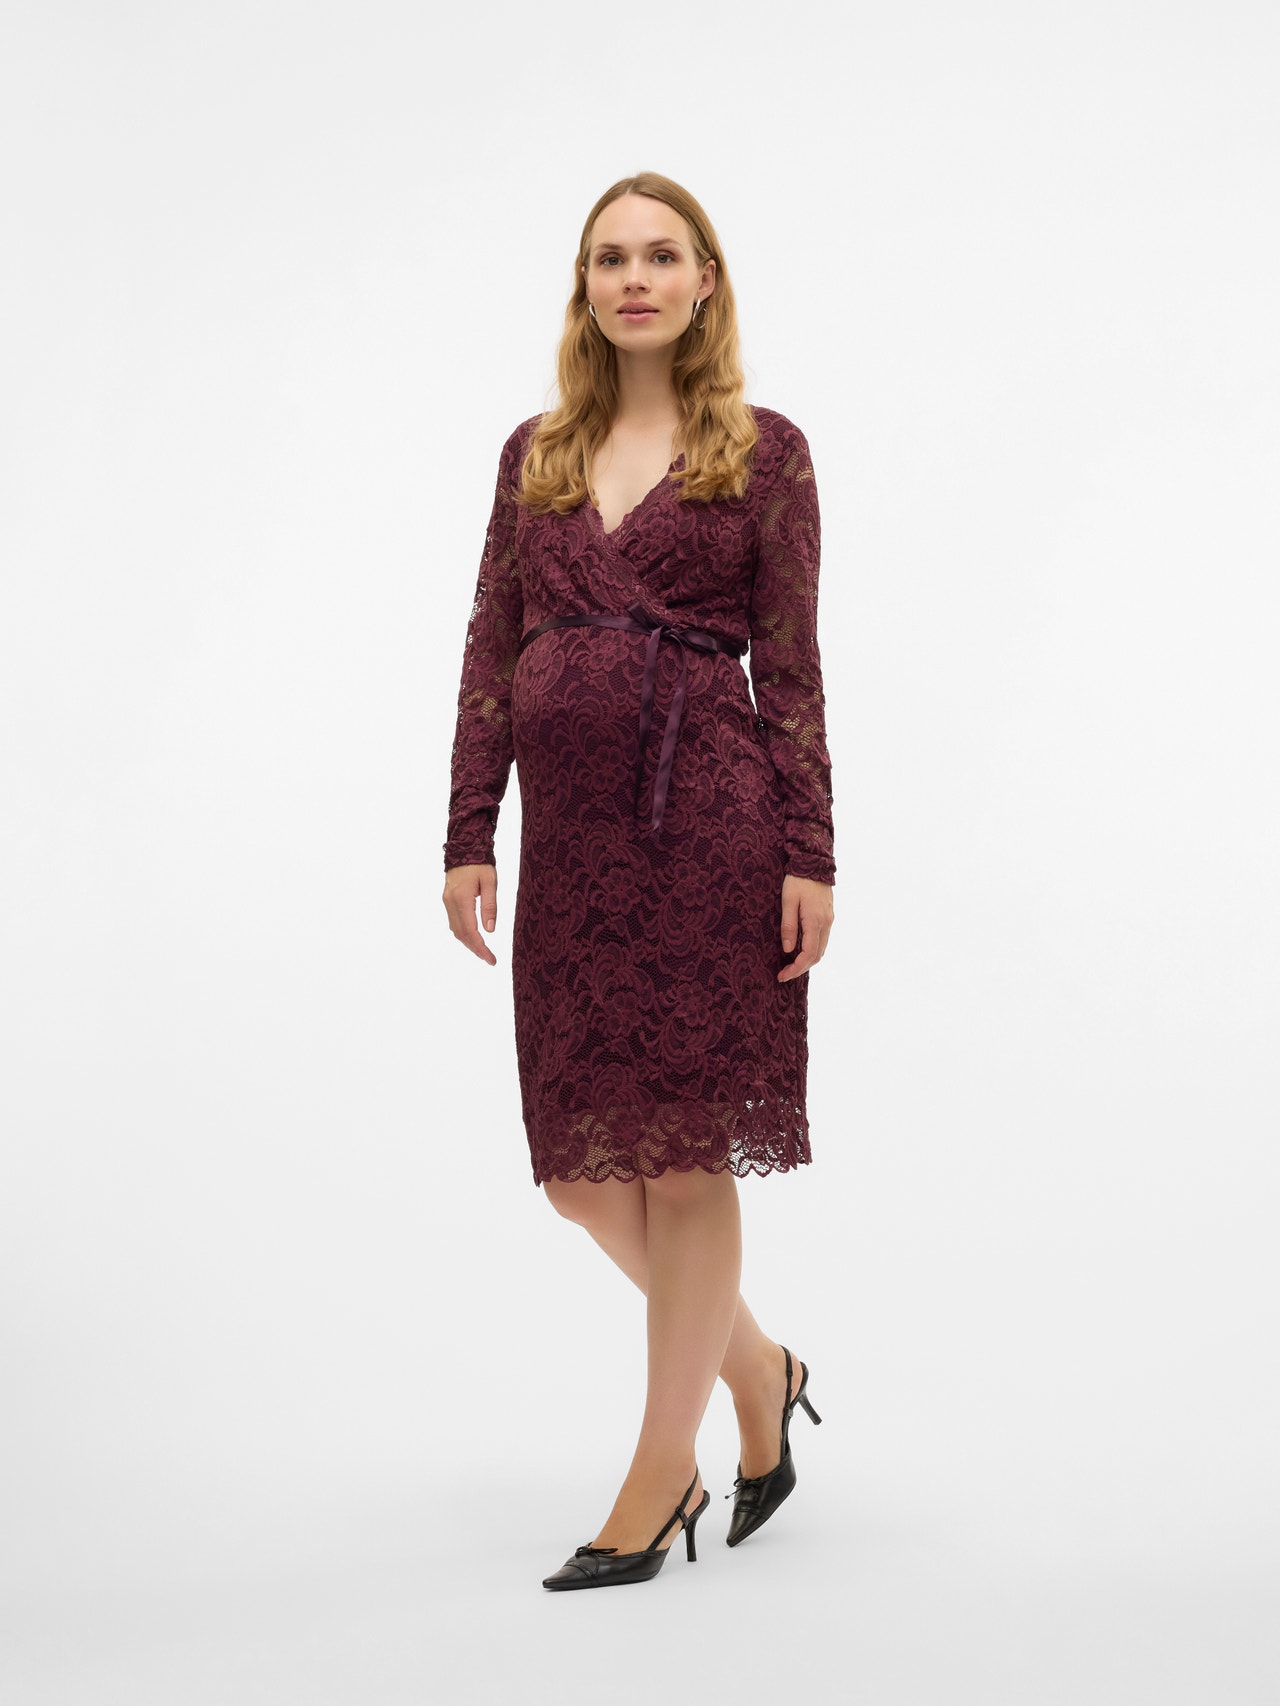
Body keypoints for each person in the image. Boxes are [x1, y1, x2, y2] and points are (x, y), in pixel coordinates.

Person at [442, 172, 836, 1591]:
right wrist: (468, 827)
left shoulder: (766, 452)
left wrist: (811, 852)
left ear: (705, 280)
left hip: (714, 832)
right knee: (580, 1174)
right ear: (586, 285)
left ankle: (660, 1473)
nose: (636, 279)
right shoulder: (536, 452)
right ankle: (762, 1369)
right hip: (574, 850)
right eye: (611, 258)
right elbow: (492, 649)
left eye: (663, 255)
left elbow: (793, 668)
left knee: (684, 1154)